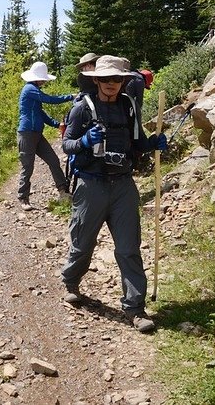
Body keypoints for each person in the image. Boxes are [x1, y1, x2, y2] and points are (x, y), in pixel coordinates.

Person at [59, 55, 167, 332]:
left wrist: (153, 143)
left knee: (129, 248)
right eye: (105, 79)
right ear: (96, 80)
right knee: (83, 243)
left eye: (117, 79)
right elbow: (67, 146)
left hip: (122, 186)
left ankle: (135, 309)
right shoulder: (81, 109)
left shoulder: (129, 106)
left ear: (123, 81)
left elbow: (137, 141)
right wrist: (83, 141)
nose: (111, 84)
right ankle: (71, 281)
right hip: (90, 185)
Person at [17, 61, 75, 211]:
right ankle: (23, 198)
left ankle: (63, 191)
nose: (44, 81)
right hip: (27, 134)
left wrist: (57, 124)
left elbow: (41, 113)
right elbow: (50, 99)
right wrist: (70, 97)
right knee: (27, 167)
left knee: (53, 160)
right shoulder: (29, 89)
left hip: (36, 133)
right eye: (43, 78)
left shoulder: (34, 90)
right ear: (37, 78)